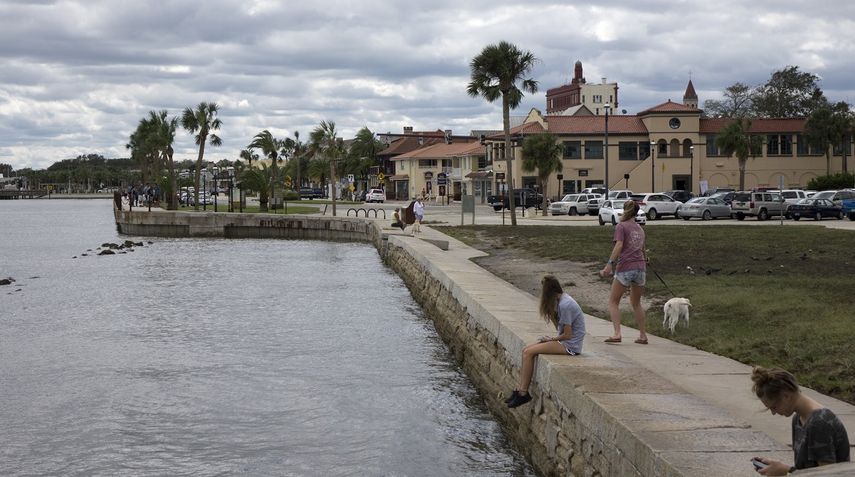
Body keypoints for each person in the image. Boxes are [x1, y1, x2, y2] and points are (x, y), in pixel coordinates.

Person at [750, 366, 850, 475]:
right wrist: (779, 468)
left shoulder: (819, 423)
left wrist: (786, 471)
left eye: (774, 407)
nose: (774, 413)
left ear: (786, 396)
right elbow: (805, 470)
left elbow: (827, 474)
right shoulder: (798, 419)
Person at [506, 275, 586, 409]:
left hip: (571, 346)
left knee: (528, 353)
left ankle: (523, 393)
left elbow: (567, 334)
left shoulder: (566, 305)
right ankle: (519, 390)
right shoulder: (561, 301)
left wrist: (551, 339)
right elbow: (561, 329)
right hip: (566, 342)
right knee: (526, 350)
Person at [600, 199, 648, 344]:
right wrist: (645, 259)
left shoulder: (621, 226)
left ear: (625, 210)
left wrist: (609, 264)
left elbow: (619, 245)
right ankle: (643, 335)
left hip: (626, 267)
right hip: (640, 268)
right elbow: (642, 249)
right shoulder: (640, 229)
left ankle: (617, 333)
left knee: (613, 301)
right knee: (636, 303)